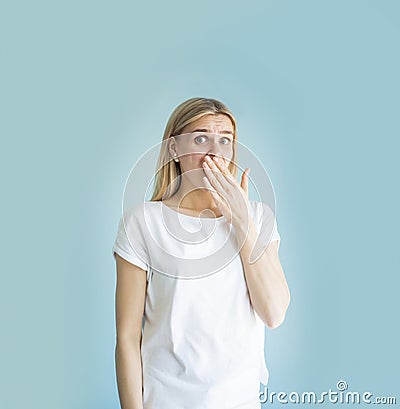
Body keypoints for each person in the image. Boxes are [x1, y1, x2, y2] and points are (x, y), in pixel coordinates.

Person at [112, 97, 290, 409]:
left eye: (225, 140)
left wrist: (241, 221)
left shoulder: (258, 217)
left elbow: (274, 313)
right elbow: (127, 338)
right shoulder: (142, 222)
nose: (215, 152)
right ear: (174, 149)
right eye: (200, 138)